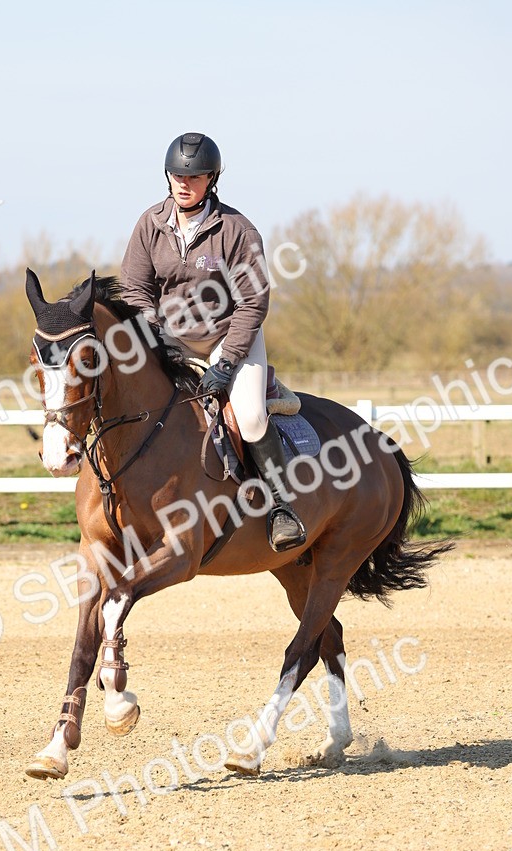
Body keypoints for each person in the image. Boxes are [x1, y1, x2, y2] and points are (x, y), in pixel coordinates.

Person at [120, 131, 306, 551]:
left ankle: (282, 508)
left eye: (196, 176)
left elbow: (253, 303)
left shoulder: (237, 230)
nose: (184, 183)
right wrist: (152, 333)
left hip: (230, 335)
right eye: (176, 176)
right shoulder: (150, 224)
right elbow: (134, 287)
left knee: (253, 416)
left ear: (212, 179)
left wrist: (227, 364)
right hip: (169, 339)